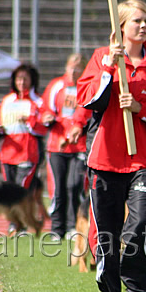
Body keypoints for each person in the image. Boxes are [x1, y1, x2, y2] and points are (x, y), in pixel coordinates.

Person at [76, 0, 146, 292]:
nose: (144, 26)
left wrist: (140, 108)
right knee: (105, 232)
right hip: (105, 159)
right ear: (120, 26)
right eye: (137, 21)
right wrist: (108, 64)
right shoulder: (100, 57)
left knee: (137, 227)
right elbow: (87, 98)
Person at [41, 53, 91, 240]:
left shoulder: (87, 87)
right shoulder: (56, 86)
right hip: (57, 146)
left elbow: (89, 114)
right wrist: (47, 117)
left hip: (79, 146)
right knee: (58, 187)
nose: (74, 71)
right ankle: (57, 228)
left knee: (75, 185)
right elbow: (45, 108)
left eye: (78, 68)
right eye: (71, 67)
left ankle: (73, 225)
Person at [0, 63, 46, 202]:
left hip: (28, 154)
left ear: (32, 80)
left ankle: (20, 223)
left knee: (22, 191)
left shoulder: (38, 101)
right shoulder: (7, 100)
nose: (21, 82)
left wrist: (29, 120)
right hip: (8, 154)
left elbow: (43, 127)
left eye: (25, 79)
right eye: (19, 79)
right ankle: (14, 222)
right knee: (9, 191)